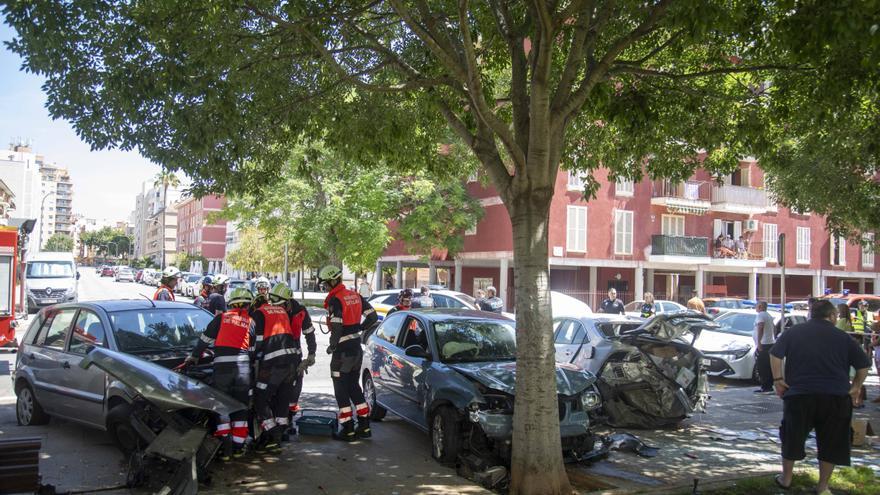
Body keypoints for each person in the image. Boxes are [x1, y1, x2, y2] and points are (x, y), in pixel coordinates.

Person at [769, 300, 870, 493]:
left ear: (811, 314)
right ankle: (823, 486)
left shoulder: (793, 332)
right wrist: (855, 387)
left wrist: (778, 379)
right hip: (836, 397)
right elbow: (863, 366)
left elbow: (775, 354)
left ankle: (786, 478)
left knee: (792, 437)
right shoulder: (843, 337)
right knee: (832, 441)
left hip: (799, 395)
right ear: (832, 316)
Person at [184, 288, 254, 460]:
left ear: (231, 302)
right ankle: (238, 447)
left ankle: (223, 448)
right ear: (247, 304)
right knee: (240, 406)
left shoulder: (221, 318)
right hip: (243, 369)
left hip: (222, 369)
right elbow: (253, 349)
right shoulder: (251, 321)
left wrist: (193, 357)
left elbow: (204, 341)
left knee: (221, 405)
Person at [319, 264, 378, 441]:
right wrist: (359, 328)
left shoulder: (336, 300)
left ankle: (347, 429)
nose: (324, 287)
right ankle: (364, 426)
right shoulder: (355, 295)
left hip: (342, 353)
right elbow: (373, 317)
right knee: (354, 386)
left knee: (341, 389)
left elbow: (336, 328)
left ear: (332, 280)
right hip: (356, 350)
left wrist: (332, 346)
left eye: (325, 284)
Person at [251, 282, 298, 453]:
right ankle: (278, 435)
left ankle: (272, 432)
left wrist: (251, 356)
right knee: (282, 398)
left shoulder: (259, 313)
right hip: (291, 362)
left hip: (272, 363)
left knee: (260, 397)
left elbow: (258, 341)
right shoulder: (281, 311)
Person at [753, 301, 776, 393]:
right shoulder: (768, 315)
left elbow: (760, 327)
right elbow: (774, 328)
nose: (755, 308)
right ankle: (768, 385)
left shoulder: (761, 315)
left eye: (756, 306)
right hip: (769, 343)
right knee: (767, 365)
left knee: (762, 366)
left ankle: (766, 387)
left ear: (760, 306)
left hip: (764, 344)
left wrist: (759, 342)